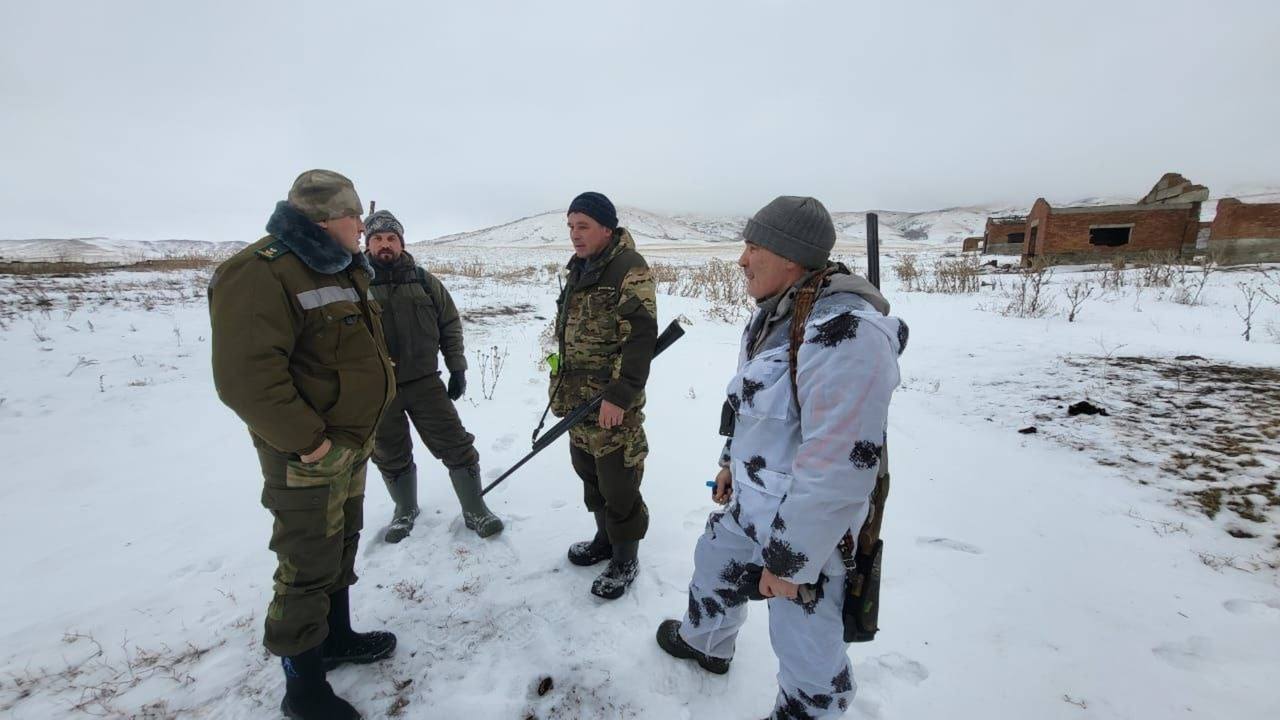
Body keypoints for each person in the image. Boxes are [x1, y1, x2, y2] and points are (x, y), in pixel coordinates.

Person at [655, 196, 907, 719]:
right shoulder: (774, 316)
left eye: (753, 247)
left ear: (791, 256)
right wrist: (730, 461)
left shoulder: (847, 332)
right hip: (751, 503)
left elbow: (841, 466)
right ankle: (706, 642)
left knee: (806, 651)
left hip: (807, 535)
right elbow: (752, 409)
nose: (742, 260)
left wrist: (790, 563)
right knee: (713, 568)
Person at [209, 169, 397, 720]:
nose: (363, 228)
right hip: (309, 456)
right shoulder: (259, 273)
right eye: (355, 218)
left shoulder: (339, 266)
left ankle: (335, 638)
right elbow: (246, 380)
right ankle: (304, 689)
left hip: (349, 446)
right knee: (305, 565)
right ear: (325, 219)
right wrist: (313, 445)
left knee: (340, 548)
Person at [362, 208, 503, 542]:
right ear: (367, 244)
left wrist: (457, 367)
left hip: (426, 382)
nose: (385, 245)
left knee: (456, 445)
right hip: (379, 390)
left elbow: (449, 324)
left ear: (401, 242)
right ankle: (404, 510)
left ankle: (475, 509)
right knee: (390, 453)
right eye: (378, 238)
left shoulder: (424, 281)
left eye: (391, 238)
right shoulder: (356, 285)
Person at [550, 191, 658, 600]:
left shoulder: (629, 269)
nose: (575, 235)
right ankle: (604, 541)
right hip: (578, 402)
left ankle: (625, 557)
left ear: (606, 229)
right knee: (590, 476)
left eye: (584, 226)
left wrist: (621, 395)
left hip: (612, 402)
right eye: (571, 227)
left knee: (619, 483)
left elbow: (640, 338)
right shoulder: (580, 268)